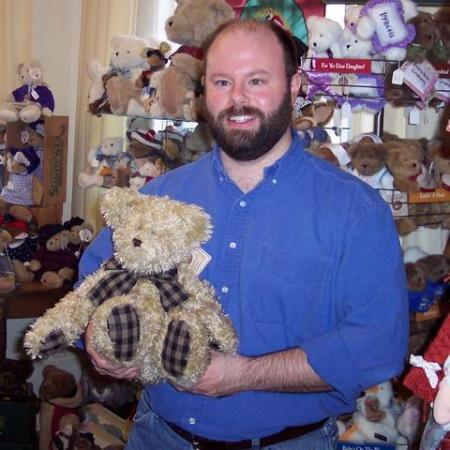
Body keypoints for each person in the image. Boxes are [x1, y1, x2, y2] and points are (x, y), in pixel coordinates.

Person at [80, 19, 409, 450]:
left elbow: (377, 346)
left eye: (256, 80)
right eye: (222, 81)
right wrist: (98, 340)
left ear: (294, 86)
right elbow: (92, 291)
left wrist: (245, 374)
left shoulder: (356, 213)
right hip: (155, 435)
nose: (237, 98)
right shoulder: (156, 198)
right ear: (203, 95)